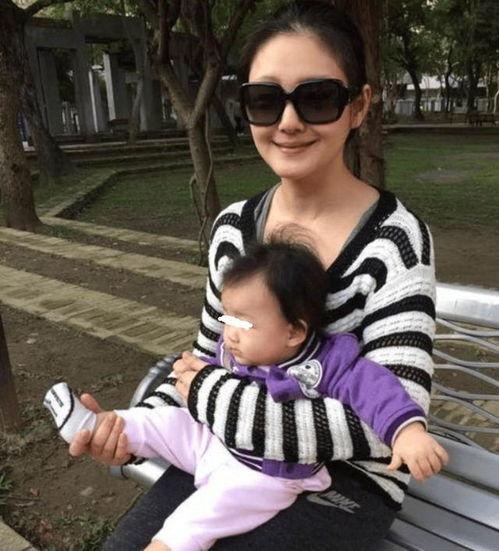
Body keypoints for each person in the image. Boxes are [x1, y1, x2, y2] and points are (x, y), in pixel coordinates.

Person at [70, 2, 440, 549]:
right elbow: (205, 361)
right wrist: (133, 427)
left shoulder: (395, 239)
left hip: (344, 480)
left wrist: (217, 400)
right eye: (265, 101)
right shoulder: (233, 229)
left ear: (359, 106)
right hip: (224, 450)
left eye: (317, 98)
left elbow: (385, 418)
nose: (288, 123)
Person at [47, 240, 447, 550]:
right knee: (164, 421)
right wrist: (186, 382)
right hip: (215, 442)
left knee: (205, 512)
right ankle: (103, 426)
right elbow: (196, 379)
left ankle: (167, 545)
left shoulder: (325, 363)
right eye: (227, 318)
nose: (229, 333)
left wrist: (406, 431)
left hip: (265, 473)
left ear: (294, 331)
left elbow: (377, 388)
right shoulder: (234, 348)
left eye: (243, 323)